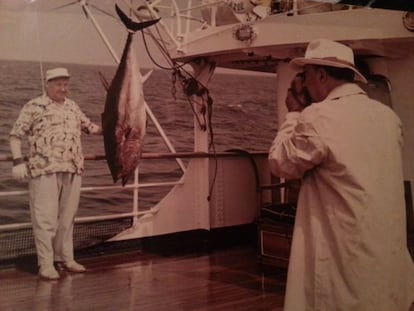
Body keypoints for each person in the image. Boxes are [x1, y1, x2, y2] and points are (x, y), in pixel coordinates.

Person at [268, 39, 414, 310]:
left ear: (321, 75)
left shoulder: (318, 117)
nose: (305, 83)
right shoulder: (387, 117)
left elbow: (280, 164)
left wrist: (293, 114)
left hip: (343, 255)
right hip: (386, 253)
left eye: (307, 75)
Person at [9, 67, 102, 280]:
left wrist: (114, 125)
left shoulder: (72, 107)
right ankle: (46, 264)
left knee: (67, 218)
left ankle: (66, 258)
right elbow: (15, 135)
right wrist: (17, 161)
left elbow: (90, 128)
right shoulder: (33, 106)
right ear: (47, 84)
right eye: (59, 84)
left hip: (72, 168)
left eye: (66, 84)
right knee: (45, 219)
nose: (63, 88)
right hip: (45, 170)